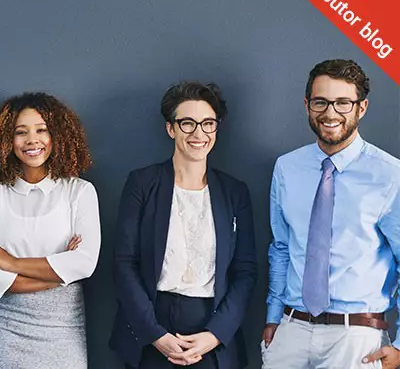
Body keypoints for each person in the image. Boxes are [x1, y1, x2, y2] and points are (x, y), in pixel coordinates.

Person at [262, 59, 400, 369]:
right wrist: (273, 319)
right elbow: (281, 248)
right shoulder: (287, 167)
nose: (330, 113)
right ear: (307, 104)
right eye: (320, 102)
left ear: (361, 108)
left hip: (356, 336)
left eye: (342, 103)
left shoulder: (391, 176)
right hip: (291, 329)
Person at [109, 81, 257, 369]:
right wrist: (154, 334)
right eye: (187, 123)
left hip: (211, 331)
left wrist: (216, 334)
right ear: (171, 128)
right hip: (152, 327)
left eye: (208, 123)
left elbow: (245, 271)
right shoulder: (142, 183)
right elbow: (124, 262)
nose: (199, 133)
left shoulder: (234, 192)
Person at [0, 92, 100, 369]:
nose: (32, 140)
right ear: (5, 139)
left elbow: (84, 264)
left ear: (59, 136)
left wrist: (11, 262)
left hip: (62, 330)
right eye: (20, 132)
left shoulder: (80, 192)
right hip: (1, 329)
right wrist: (60, 273)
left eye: (42, 130)